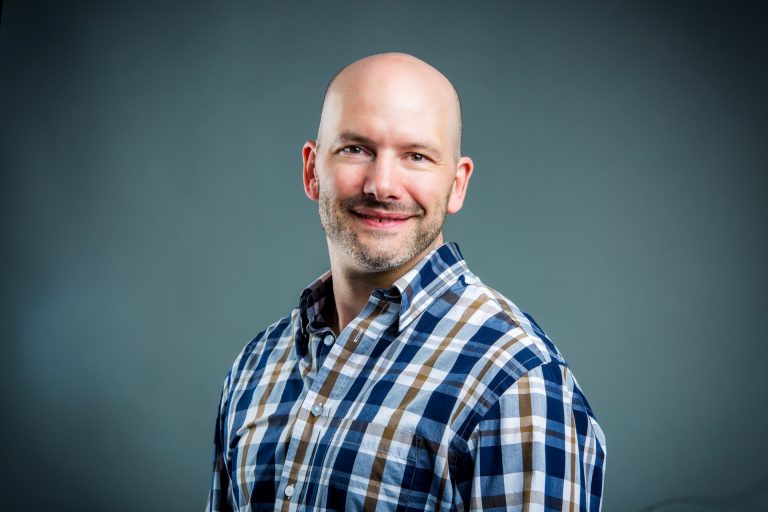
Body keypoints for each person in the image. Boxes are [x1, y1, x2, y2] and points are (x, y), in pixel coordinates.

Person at [206, 52, 606, 511]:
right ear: (311, 170)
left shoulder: (516, 382)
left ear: (457, 185)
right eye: (356, 149)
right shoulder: (256, 367)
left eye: (416, 156)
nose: (381, 184)